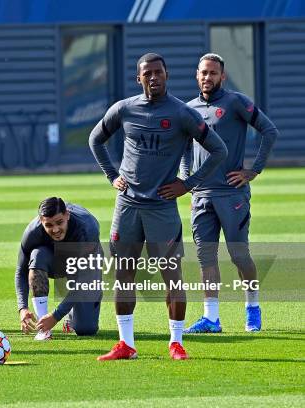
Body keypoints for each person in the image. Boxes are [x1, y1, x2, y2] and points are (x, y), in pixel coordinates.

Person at [89, 53, 228, 360]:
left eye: (158, 73)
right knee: (124, 275)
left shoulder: (182, 114)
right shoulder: (124, 108)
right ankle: (126, 344)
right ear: (139, 78)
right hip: (126, 207)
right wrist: (112, 175)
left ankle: (176, 343)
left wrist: (187, 184)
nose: (153, 78)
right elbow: (95, 139)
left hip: (161, 209)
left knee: (172, 276)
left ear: (167, 75)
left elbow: (219, 149)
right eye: (147, 74)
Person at [181, 53, 278, 334]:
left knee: (239, 256)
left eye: (213, 73)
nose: (207, 77)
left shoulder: (235, 102)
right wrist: (189, 181)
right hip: (201, 195)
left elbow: (269, 131)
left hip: (231, 194)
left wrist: (253, 170)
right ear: (196, 75)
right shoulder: (188, 109)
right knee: (205, 257)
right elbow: (186, 148)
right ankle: (211, 318)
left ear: (222, 76)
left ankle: (252, 308)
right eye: (203, 72)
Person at [16, 197, 103, 341]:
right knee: (37, 255)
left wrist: (56, 315)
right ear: (41, 221)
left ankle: (71, 317)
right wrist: (22, 308)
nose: (55, 229)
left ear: (67, 215)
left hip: (83, 264)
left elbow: (84, 280)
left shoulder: (87, 228)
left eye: (59, 222)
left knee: (86, 329)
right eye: (48, 225)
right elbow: (21, 270)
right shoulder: (32, 232)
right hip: (53, 259)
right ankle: (43, 329)